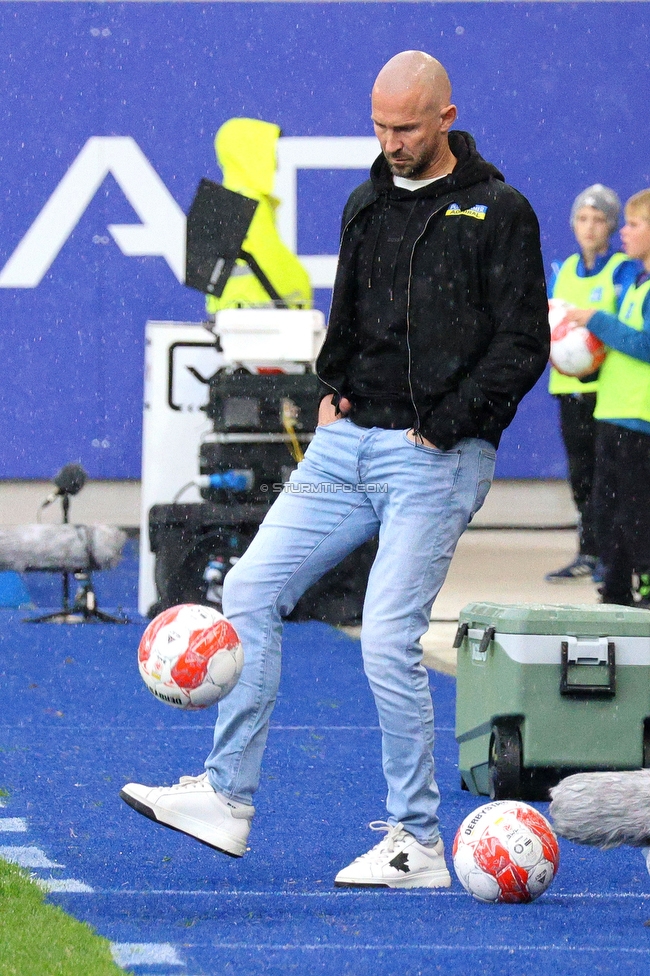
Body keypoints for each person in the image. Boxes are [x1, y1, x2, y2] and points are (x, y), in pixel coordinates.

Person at [121, 51, 549, 889]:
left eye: (406, 128)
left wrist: (450, 423)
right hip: (347, 442)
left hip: (438, 455)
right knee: (246, 591)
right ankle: (225, 797)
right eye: (380, 126)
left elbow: (522, 342)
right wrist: (330, 390)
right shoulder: (365, 202)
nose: (390, 142)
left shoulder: (500, 211)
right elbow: (347, 314)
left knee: (388, 638)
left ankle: (417, 841)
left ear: (445, 119)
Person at [545, 185, 635, 583]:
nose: (590, 226)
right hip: (569, 387)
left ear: (612, 226)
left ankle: (616, 554)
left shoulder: (622, 270)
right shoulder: (562, 270)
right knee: (581, 473)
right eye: (583, 218)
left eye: (599, 219)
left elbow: (625, 327)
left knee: (610, 477)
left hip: (607, 388)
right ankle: (588, 549)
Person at [566, 189, 650, 607]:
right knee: (608, 509)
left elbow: (646, 344)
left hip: (640, 417)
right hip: (613, 412)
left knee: (637, 511)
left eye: (633, 225)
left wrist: (597, 321)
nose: (624, 233)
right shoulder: (638, 282)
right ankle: (614, 588)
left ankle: (646, 585)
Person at [205, 117, 312, 313]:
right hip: (259, 314)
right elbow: (274, 263)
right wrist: (301, 290)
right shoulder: (249, 203)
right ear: (252, 152)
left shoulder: (222, 201)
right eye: (268, 150)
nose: (274, 160)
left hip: (230, 312)